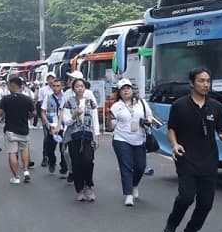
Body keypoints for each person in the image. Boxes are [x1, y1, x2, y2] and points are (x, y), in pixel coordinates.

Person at [163, 68, 222, 232]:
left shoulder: (216, 106)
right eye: (201, 81)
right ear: (192, 83)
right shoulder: (179, 105)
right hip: (186, 158)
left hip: (209, 160)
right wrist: (175, 144)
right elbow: (171, 129)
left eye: (208, 81)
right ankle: (172, 224)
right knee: (186, 197)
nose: (206, 84)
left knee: (206, 203)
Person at [110, 79, 157, 207]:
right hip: (121, 139)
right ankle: (128, 194)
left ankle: (134, 184)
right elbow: (111, 124)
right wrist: (111, 122)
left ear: (132, 90)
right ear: (119, 92)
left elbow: (150, 116)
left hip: (139, 138)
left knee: (141, 166)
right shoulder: (116, 106)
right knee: (126, 166)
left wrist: (148, 121)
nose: (126, 91)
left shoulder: (141, 103)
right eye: (123, 89)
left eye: (128, 88)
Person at [62, 72, 101, 202]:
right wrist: (75, 115)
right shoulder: (69, 102)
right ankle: (80, 189)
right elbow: (67, 122)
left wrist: (96, 137)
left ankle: (88, 185)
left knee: (88, 160)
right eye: (77, 86)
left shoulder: (90, 102)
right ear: (73, 89)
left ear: (85, 88)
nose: (80, 88)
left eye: (82, 86)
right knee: (76, 162)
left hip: (88, 135)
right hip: (74, 136)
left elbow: (95, 121)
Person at [0, 76, 35, 184]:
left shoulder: (6, 99)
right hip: (24, 129)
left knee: (12, 152)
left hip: (10, 129)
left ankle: (16, 177)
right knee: (24, 150)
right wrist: (27, 117)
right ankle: (26, 171)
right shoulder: (27, 99)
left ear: (12, 85)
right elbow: (33, 113)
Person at [39, 76, 67, 176]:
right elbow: (43, 111)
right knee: (50, 147)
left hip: (63, 126)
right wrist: (47, 123)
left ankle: (64, 167)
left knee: (63, 148)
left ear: (61, 87)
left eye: (58, 86)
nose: (55, 88)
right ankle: (52, 161)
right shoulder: (48, 97)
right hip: (52, 126)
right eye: (54, 86)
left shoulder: (66, 97)